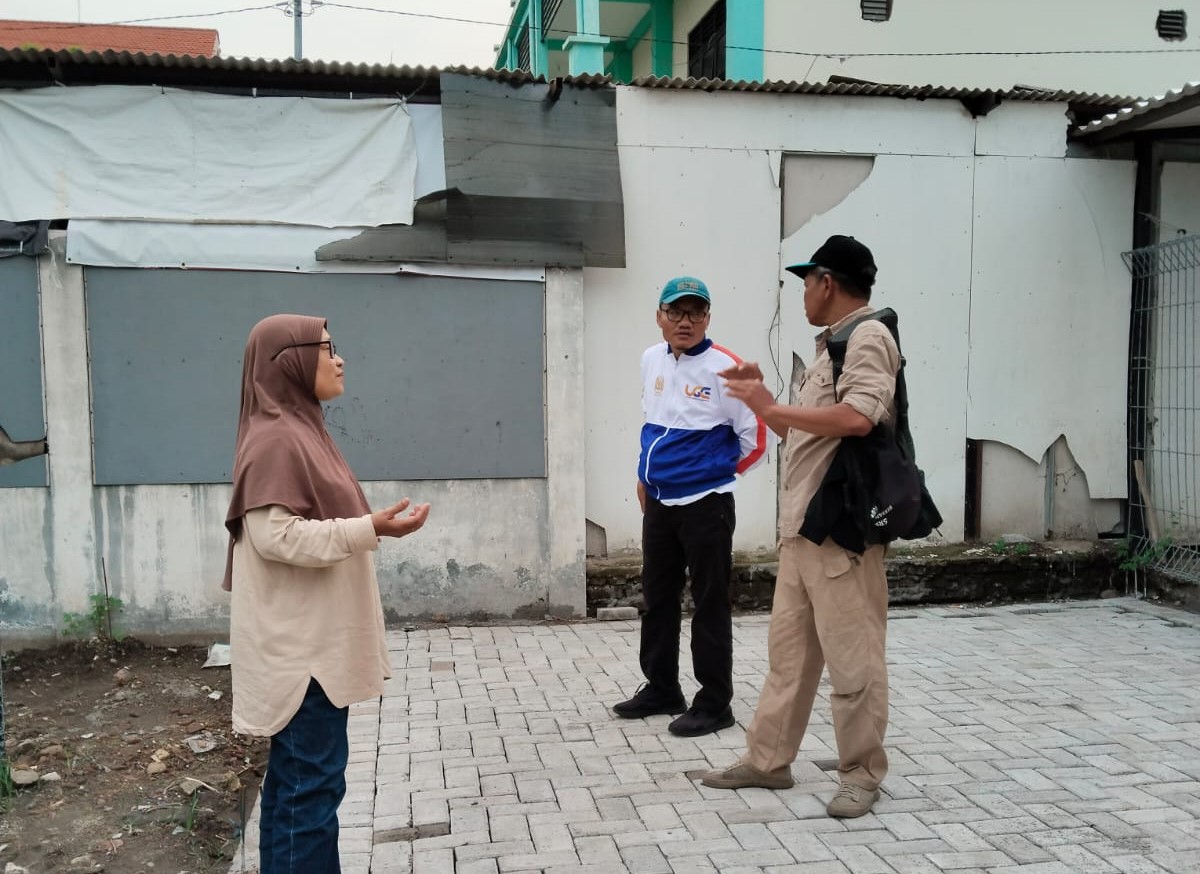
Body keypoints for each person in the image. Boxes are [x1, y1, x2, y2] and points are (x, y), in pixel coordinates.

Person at [222, 313, 431, 873]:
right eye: (326, 349)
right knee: (308, 791)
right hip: (302, 655)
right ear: (289, 361)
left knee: (299, 789)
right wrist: (369, 528)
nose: (339, 360)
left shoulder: (298, 429)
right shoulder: (276, 439)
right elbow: (277, 537)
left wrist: (373, 527)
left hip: (310, 646)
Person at [703, 236, 900, 819]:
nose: (804, 294)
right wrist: (760, 400)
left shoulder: (868, 337)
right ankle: (768, 762)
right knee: (789, 657)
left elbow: (858, 417)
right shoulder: (830, 346)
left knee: (854, 659)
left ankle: (861, 773)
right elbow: (808, 431)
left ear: (827, 282)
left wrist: (769, 407)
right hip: (804, 528)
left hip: (840, 532)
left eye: (806, 282)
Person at [613, 276, 770, 737]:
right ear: (659, 316)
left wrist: (713, 476)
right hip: (659, 503)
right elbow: (653, 424)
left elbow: (757, 439)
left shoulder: (729, 368)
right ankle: (662, 688)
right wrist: (646, 477)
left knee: (709, 603)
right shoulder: (651, 359)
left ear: (707, 317)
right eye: (676, 311)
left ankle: (714, 703)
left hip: (706, 505)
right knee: (657, 598)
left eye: (695, 312)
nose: (686, 321)